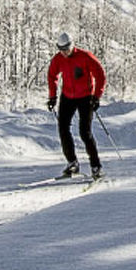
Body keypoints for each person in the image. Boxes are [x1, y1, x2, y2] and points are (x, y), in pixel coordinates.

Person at [46, 32, 106, 178]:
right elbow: (52, 75)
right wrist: (52, 96)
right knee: (63, 128)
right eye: (61, 49)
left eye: (66, 48)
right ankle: (72, 163)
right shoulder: (58, 59)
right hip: (67, 96)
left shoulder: (85, 56)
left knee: (85, 132)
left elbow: (100, 75)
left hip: (86, 97)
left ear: (72, 45)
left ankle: (96, 166)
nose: (64, 52)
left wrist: (96, 96)